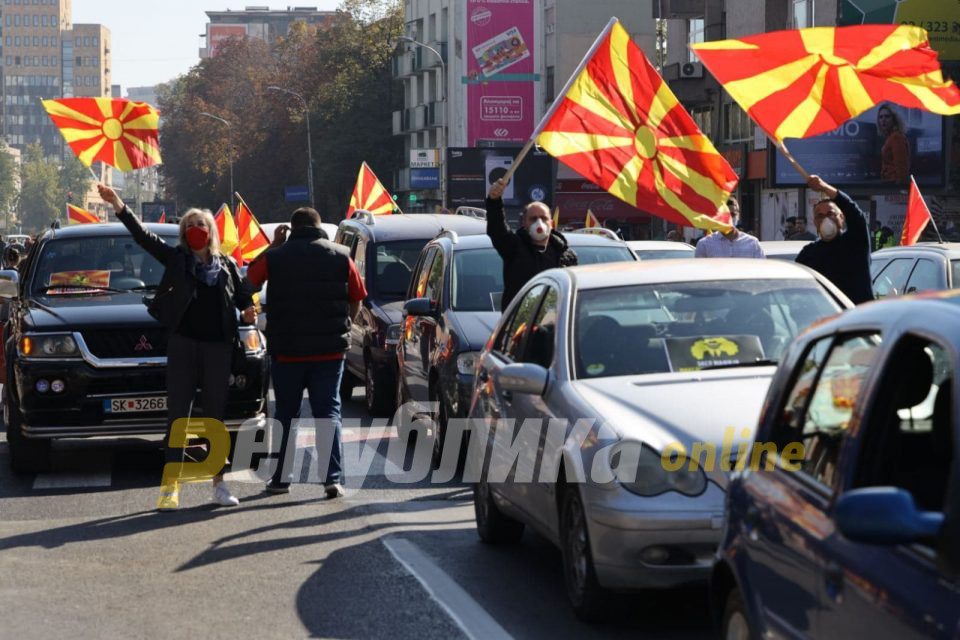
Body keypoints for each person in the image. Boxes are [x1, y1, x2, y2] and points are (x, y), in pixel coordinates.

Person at [98, 184, 256, 511]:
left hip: (218, 349)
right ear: (183, 234)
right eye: (189, 227)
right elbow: (143, 237)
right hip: (183, 345)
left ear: (211, 231)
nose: (196, 230)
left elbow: (243, 300)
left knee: (215, 418)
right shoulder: (176, 259)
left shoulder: (226, 266)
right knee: (178, 417)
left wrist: (250, 310)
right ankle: (170, 487)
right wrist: (118, 205)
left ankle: (219, 485)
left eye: (201, 225)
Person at [245, 208, 367, 499]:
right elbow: (357, 298)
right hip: (329, 353)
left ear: (292, 228)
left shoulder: (276, 257)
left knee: (286, 414)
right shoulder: (341, 255)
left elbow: (250, 278)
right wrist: (344, 326)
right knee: (329, 412)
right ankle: (332, 479)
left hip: (287, 352)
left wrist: (273, 245)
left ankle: (282, 479)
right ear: (317, 226)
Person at [486, 177, 577, 310]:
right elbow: (497, 229)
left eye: (544, 218)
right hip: (522, 324)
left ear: (551, 224)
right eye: (533, 219)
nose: (539, 223)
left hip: (556, 323)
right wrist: (494, 201)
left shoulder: (565, 255)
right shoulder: (514, 248)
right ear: (524, 223)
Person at [795, 175, 873, 304]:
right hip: (827, 319)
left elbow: (853, 211)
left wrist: (823, 187)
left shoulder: (855, 241)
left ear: (841, 218)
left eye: (831, 214)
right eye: (820, 216)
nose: (826, 219)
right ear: (815, 222)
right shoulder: (808, 253)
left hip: (859, 317)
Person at [694, 197, 765, 258]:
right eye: (725, 215)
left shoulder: (753, 243)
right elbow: (698, 272)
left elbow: (762, 270)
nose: (729, 218)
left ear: (738, 216)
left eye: (732, 214)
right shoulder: (705, 244)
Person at [877, 103, 910, 185]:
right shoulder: (890, 137)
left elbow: (901, 169)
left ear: (894, 119)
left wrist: (897, 190)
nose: (883, 120)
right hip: (889, 184)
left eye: (887, 116)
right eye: (881, 117)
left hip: (893, 186)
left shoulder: (896, 138)